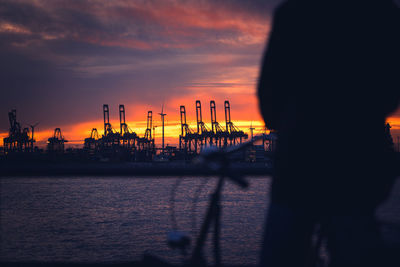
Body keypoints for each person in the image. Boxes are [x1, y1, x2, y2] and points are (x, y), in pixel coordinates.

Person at [257, 0, 400, 266]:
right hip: (357, 168)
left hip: (297, 166)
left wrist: (293, 124)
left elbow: (268, 100)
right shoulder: (382, 12)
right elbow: (391, 93)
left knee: (281, 254)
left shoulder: (293, 12)